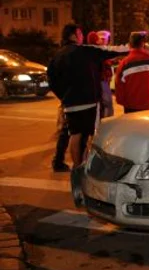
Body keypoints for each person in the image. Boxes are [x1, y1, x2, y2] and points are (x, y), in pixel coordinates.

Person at [47, 24, 129, 169]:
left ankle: (77, 167)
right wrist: (131, 47)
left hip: (70, 104)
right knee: (91, 135)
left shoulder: (57, 56)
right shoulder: (85, 51)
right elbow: (109, 51)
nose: (81, 36)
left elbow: (52, 81)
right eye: (79, 33)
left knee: (75, 134)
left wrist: (64, 96)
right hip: (89, 101)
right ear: (73, 35)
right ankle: (87, 166)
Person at [115, 32, 149, 113]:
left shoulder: (124, 63)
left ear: (129, 45)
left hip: (131, 107)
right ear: (143, 44)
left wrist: (124, 102)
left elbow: (119, 86)